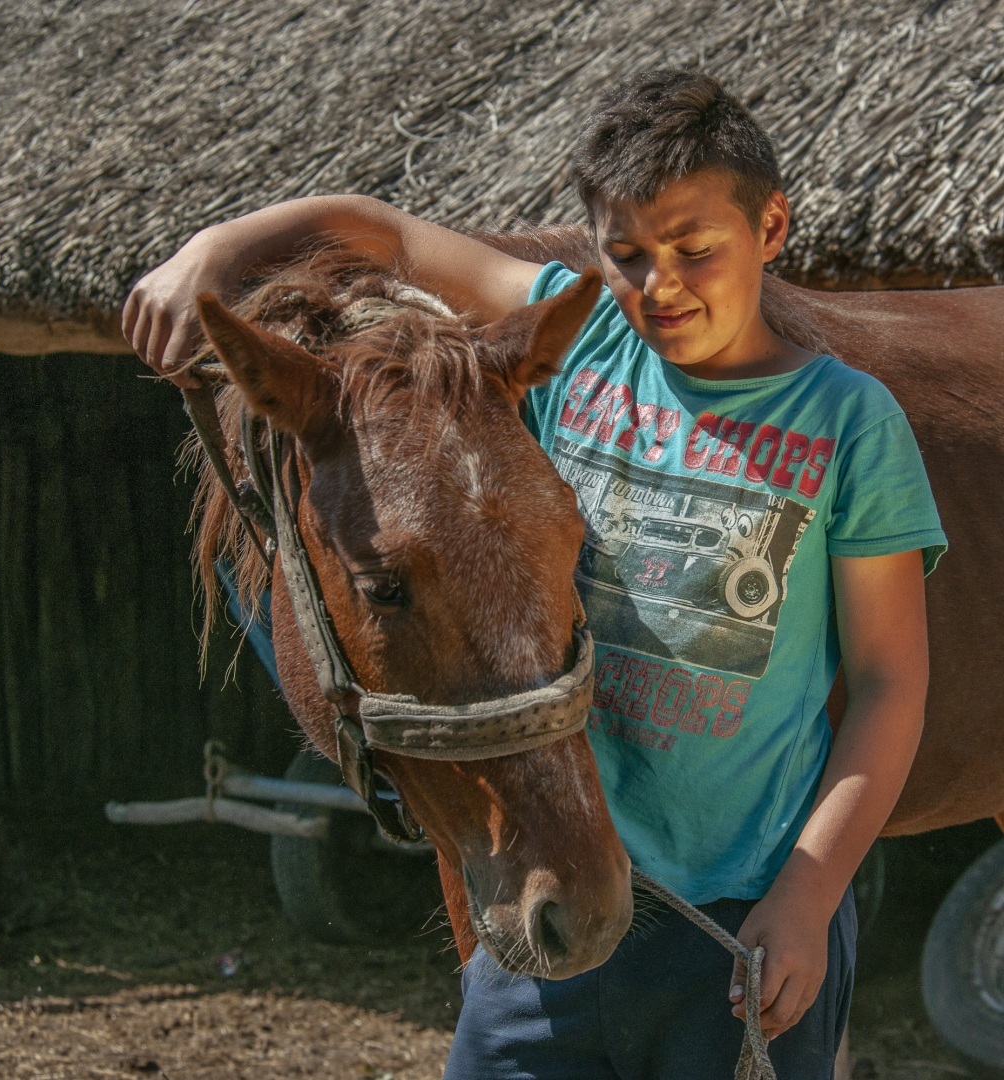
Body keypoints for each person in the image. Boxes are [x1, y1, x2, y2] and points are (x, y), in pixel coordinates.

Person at [124, 70, 946, 1079]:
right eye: (629, 254)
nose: (663, 286)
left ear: (771, 227)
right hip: (550, 881)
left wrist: (812, 897)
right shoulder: (585, 337)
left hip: (742, 924)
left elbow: (892, 684)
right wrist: (218, 248)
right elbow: (390, 234)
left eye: (697, 250)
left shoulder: (849, 425)